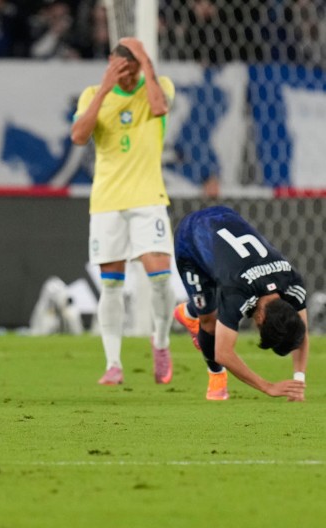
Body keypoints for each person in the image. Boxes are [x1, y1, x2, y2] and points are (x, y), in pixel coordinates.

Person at [70, 37, 176, 386]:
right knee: (111, 285)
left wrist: (145, 60)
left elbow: (160, 109)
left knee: (160, 277)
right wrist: (104, 88)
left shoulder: (157, 88)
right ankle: (113, 363)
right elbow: (79, 136)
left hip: (148, 198)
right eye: (122, 71)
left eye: (132, 72)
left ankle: (160, 342)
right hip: (107, 201)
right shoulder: (92, 94)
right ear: (111, 65)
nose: (127, 79)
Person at [173, 205, 308, 401]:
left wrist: (299, 381)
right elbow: (223, 353)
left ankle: (189, 311)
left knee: (215, 306)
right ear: (260, 318)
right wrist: (268, 387)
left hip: (225, 217)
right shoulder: (238, 292)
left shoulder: (292, 281)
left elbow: (301, 331)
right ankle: (216, 375)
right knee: (209, 324)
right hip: (191, 239)